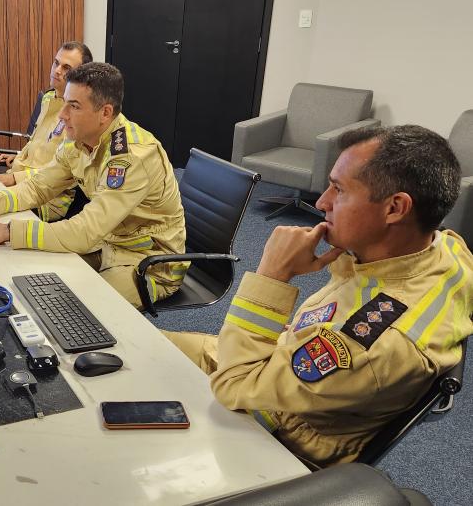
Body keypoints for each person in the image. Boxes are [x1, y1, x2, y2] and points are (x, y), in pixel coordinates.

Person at [166, 125, 473, 467]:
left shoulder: (374, 345)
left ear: (395, 209)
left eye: (339, 190)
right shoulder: (446, 245)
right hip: (280, 359)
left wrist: (272, 274)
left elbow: (236, 385)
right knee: (140, 344)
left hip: (278, 428)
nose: (321, 202)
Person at [0, 62, 187, 308]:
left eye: (74, 106)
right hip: (108, 243)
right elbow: (38, 187)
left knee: (74, 309)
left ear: (105, 113)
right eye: (65, 102)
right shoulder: (78, 141)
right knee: (34, 277)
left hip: (151, 263)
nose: (62, 114)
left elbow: (85, 231)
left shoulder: (132, 157)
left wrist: (7, 231)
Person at [0, 41, 92, 221]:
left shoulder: (80, 115)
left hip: (48, 198)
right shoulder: (48, 97)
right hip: (19, 178)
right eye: (56, 63)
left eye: (66, 68)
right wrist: (21, 155)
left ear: (81, 76)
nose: (57, 71)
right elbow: (39, 141)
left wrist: (15, 178)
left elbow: (64, 171)